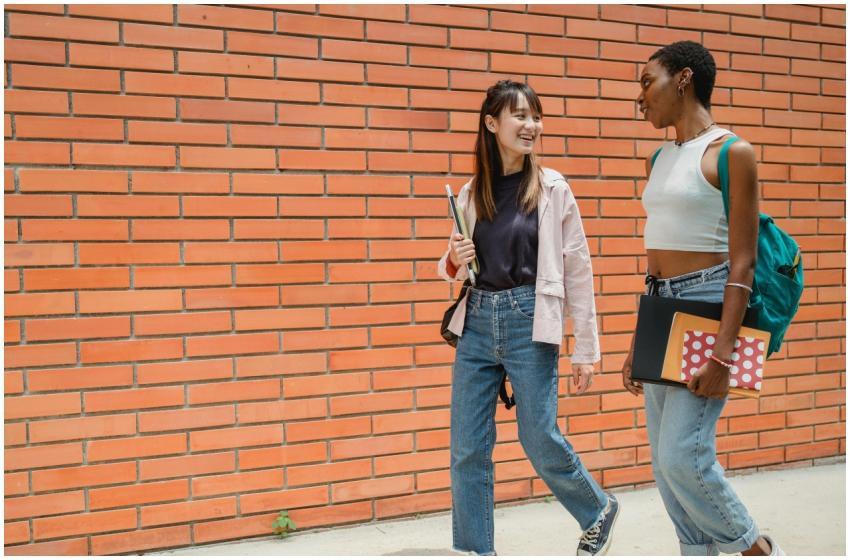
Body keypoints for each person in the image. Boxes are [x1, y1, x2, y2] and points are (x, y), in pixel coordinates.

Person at [438, 80, 618, 556]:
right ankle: (475, 551)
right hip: (477, 322)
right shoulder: (472, 192)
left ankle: (596, 509)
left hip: (529, 320)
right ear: (491, 123)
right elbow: (451, 266)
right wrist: (455, 257)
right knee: (467, 449)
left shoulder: (553, 188)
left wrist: (586, 349)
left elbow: (579, 268)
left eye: (535, 116)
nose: (531, 125)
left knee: (538, 435)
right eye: (519, 115)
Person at [626, 41, 784, 556]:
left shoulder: (732, 152)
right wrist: (638, 341)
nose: (640, 97)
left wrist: (723, 356)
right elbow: (657, 256)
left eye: (647, 82)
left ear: (684, 79)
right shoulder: (658, 157)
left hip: (708, 305)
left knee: (683, 457)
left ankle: (756, 549)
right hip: (660, 305)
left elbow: (744, 263)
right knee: (663, 465)